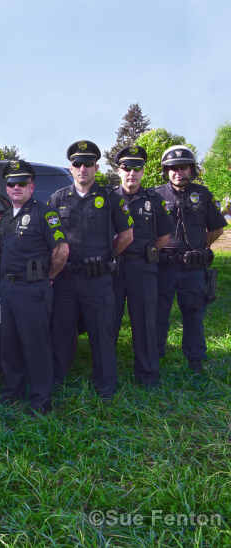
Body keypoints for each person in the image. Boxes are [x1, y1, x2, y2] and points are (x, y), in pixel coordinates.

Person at [47, 140, 134, 400]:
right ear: (70, 168)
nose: (82, 168)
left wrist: (110, 257)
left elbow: (127, 235)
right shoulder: (57, 198)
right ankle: (56, 379)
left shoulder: (110, 198)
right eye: (77, 164)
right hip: (66, 279)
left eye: (88, 164)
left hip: (98, 280)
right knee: (62, 332)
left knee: (102, 334)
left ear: (97, 167)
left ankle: (105, 387)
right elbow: (50, 238)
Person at [0, 160, 69, 414]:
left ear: (31, 185)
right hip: (8, 288)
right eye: (11, 183)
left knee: (37, 346)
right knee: (10, 345)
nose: (16, 187)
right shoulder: (6, 217)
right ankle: (12, 390)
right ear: (6, 187)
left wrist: (49, 276)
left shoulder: (44, 213)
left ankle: (41, 399)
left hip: (32, 288)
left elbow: (61, 250)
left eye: (22, 183)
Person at [154, 145, 227, 372]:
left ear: (191, 169)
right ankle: (155, 354)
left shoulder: (203, 195)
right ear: (166, 171)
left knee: (194, 313)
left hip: (192, 268)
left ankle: (195, 358)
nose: (178, 172)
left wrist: (199, 248)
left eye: (183, 167)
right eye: (173, 168)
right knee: (158, 313)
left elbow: (217, 230)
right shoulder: (155, 195)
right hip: (163, 267)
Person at [111, 146, 175, 387]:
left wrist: (144, 256)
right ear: (119, 171)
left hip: (142, 268)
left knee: (145, 321)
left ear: (143, 171)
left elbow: (163, 237)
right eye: (126, 168)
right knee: (110, 321)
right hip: (114, 269)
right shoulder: (107, 199)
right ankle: (108, 375)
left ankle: (147, 376)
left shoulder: (154, 200)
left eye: (136, 168)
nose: (131, 173)